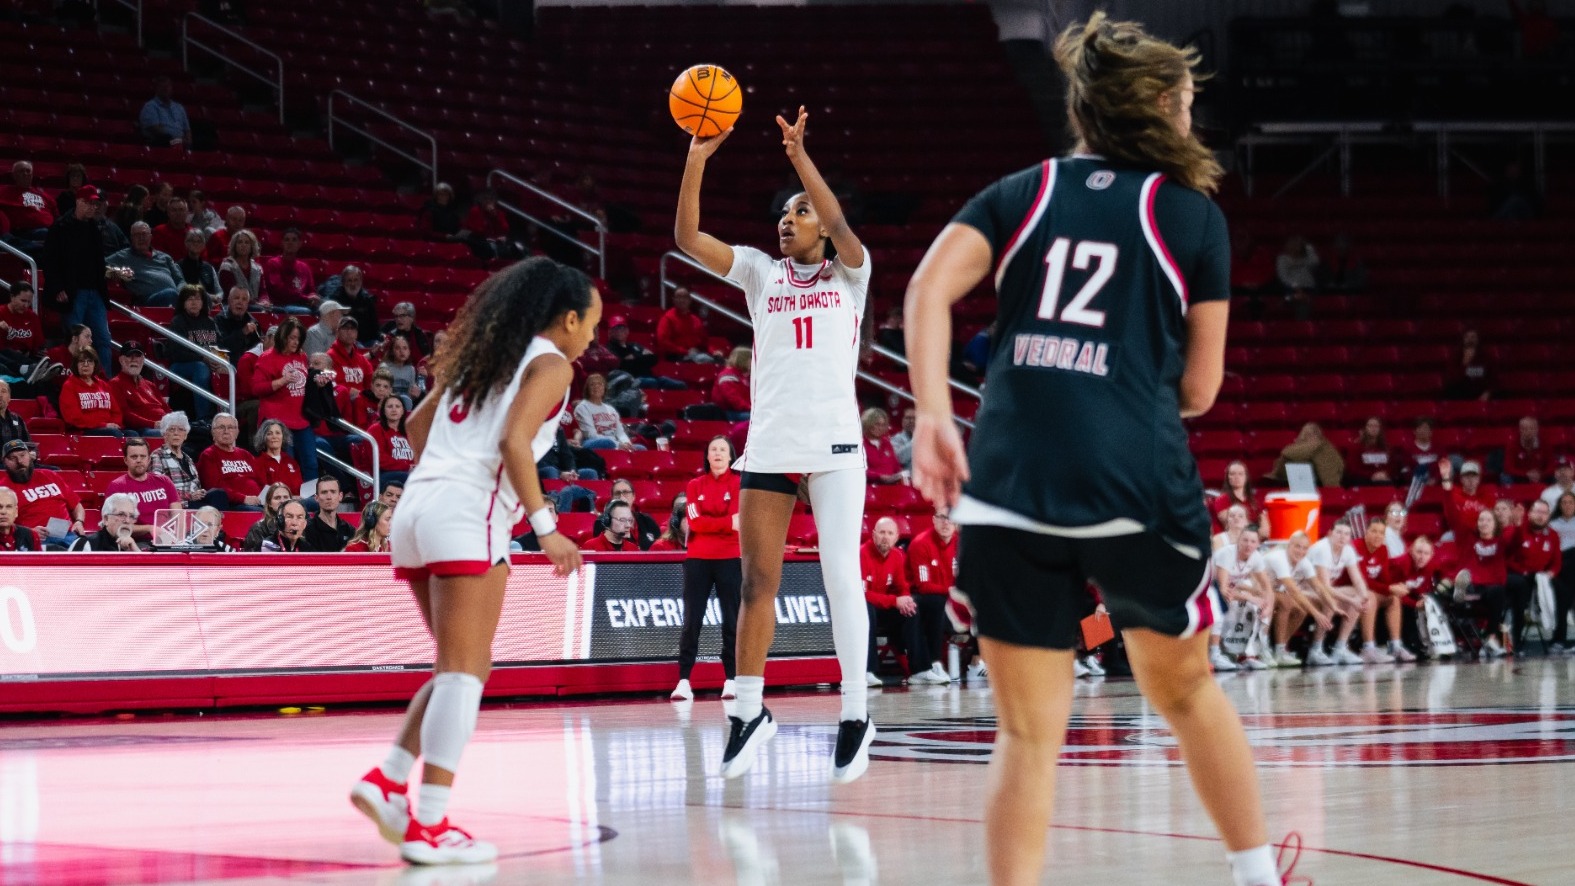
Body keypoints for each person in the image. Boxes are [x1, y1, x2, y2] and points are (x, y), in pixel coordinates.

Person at [901, 14, 1294, 886]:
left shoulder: (1018, 192)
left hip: (1007, 484)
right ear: (1157, 105)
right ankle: (1256, 874)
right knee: (1186, 689)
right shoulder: (1187, 215)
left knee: (1027, 736)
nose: (1190, 119)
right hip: (1132, 484)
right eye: (1186, 103)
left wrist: (933, 412)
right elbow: (1197, 392)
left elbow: (927, 286)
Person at [351, 256, 595, 864]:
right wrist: (546, 528)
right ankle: (429, 823)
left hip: (416, 512)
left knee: (463, 665)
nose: (592, 333)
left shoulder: (481, 358)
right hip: (465, 513)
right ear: (568, 319)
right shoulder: (552, 363)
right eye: (591, 321)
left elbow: (415, 421)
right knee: (463, 672)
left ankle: (388, 779)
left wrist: (447, 476)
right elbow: (515, 441)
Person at [675, 101, 875, 783]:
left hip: (836, 449)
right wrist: (696, 158)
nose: (786, 221)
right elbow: (686, 238)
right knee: (756, 582)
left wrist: (797, 159)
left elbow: (842, 225)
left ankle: (855, 713)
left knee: (839, 576)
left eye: (799, 213)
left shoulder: (850, 273)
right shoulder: (761, 271)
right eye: (781, 214)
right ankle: (749, 712)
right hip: (769, 447)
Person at [671, 436, 743, 702]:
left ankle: (731, 679)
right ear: (707, 455)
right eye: (713, 449)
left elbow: (739, 521)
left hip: (730, 558)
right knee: (692, 620)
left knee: (731, 620)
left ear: (730, 455)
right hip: (698, 559)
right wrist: (724, 523)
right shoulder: (694, 485)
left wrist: (710, 522)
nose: (718, 453)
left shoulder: (738, 484)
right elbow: (695, 522)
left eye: (723, 449)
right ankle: (683, 681)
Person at [41, 184, 113, 369]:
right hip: (73, 293)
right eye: (89, 203)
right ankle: (75, 378)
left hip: (94, 291)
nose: (93, 207)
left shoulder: (93, 227)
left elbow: (99, 260)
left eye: (95, 204)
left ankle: (104, 383)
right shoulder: (60, 227)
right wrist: (57, 288)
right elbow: (50, 260)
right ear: (78, 201)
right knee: (76, 341)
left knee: (103, 340)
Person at [861, 516, 932, 686]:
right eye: (882, 532)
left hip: (884, 607)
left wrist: (905, 600)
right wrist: (895, 601)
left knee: (912, 609)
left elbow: (902, 587)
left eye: (890, 533)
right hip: (865, 608)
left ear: (897, 537)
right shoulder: (861, 554)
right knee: (866, 609)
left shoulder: (898, 555)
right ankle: (867, 671)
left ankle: (919, 671)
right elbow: (861, 594)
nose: (886, 537)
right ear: (873, 534)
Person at [253, 317, 324, 481]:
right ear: (283, 336)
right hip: (278, 421)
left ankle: (310, 500)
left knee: (311, 463)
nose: (295, 342)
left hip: (301, 419)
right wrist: (281, 381)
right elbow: (256, 388)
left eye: (298, 338)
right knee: (285, 464)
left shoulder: (301, 356)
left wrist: (318, 383)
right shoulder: (267, 357)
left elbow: (304, 384)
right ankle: (286, 500)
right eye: (292, 337)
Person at [905, 511, 960, 683]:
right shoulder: (921, 544)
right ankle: (934, 662)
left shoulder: (962, 543)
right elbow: (923, 585)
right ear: (934, 520)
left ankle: (977, 662)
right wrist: (953, 591)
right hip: (921, 597)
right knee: (937, 602)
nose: (946, 523)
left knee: (983, 602)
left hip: (950, 596)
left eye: (951, 518)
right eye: (942, 518)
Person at [1, 438, 87, 547]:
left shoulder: (50, 475)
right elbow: (3, 523)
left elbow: (76, 505)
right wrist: (29, 532)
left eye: (22, 455)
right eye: (12, 458)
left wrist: (79, 521)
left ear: (30, 456)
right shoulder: (3, 489)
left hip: (68, 535)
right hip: (34, 539)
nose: (19, 461)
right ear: (4, 462)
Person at [1212, 525, 1275, 670]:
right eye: (1245, 540)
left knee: (1258, 608)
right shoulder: (1226, 554)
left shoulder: (1256, 557)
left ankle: (1248, 654)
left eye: (1253, 541)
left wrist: (1268, 607)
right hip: (1207, 587)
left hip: (1231, 589)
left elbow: (1267, 588)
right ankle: (1215, 654)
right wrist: (1250, 598)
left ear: (1258, 544)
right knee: (1219, 609)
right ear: (1238, 541)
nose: (1248, 544)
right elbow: (1223, 590)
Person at [1505, 498, 1560, 653]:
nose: (1540, 516)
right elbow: (1507, 556)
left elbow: (1556, 562)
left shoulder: (1553, 535)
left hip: (1540, 577)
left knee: (1562, 588)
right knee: (1520, 587)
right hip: (1517, 575)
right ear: (1529, 514)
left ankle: (1559, 639)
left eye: (1544, 513)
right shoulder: (1518, 530)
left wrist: (1551, 573)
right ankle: (1515, 640)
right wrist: (1523, 571)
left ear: (1549, 516)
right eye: (1537, 512)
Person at [1456, 508, 1511, 658]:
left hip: (1492, 589)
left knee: (1498, 592)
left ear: (1495, 524)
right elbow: (1453, 517)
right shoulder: (1469, 539)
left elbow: (1515, 537)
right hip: (1473, 583)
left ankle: (1490, 637)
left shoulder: (1501, 543)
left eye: (1488, 520)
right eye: (1481, 519)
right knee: (1467, 582)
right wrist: (1448, 491)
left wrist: (1515, 521)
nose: (1484, 523)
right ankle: (1489, 638)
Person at [166, 284, 224, 422]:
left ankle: (227, 415)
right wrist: (203, 358)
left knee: (230, 369)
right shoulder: (178, 322)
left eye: (197, 299)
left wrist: (219, 359)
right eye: (189, 299)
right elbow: (175, 352)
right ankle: (203, 418)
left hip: (207, 362)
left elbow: (220, 344)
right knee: (201, 368)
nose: (193, 302)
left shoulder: (209, 322)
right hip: (180, 366)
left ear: (203, 302)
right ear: (183, 303)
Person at [105, 437, 181, 537]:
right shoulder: (117, 487)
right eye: (134, 457)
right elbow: (115, 525)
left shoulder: (165, 481)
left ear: (149, 459)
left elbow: (179, 517)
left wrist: (177, 539)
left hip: (166, 540)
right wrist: (149, 528)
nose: (139, 460)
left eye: (143, 456)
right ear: (125, 460)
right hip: (136, 542)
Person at [152, 411, 222, 510]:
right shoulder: (157, 455)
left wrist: (200, 493)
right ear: (164, 434)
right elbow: (158, 490)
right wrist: (190, 495)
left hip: (195, 502)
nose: (176, 433)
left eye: (181, 430)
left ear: (185, 435)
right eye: (172, 429)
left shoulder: (188, 458)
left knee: (218, 494)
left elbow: (196, 486)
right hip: (178, 505)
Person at [105, 222, 183, 307]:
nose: (141, 238)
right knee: (170, 294)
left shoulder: (165, 257)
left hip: (174, 296)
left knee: (194, 294)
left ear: (150, 237)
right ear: (131, 238)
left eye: (144, 234)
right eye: (137, 235)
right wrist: (118, 272)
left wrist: (182, 294)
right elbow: (99, 266)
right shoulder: (123, 256)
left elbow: (180, 280)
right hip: (146, 301)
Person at [198, 413, 264, 510]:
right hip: (234, 505)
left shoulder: (246, 454)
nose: (226, 431)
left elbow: (261, 481)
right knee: (260, 513)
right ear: (213, 432)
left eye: (231, 427)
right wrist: (243, 498)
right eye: (221, 427)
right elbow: (214, 487)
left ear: (237, 432)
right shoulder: (209, 455)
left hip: (258, 501)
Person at [59, 350, 123, 436]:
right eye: (81, 361)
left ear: (95, 365)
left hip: (109, 428)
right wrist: (104, 425)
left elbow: (116, 412)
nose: (86, 364)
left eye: (89, 361)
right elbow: (74, 418)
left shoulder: (103, 385)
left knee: (132, 434)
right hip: (84, 431)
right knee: (113, 434)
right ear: (75, 365)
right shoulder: (69, 386)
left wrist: (114, 424)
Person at [1267, 422, 1344, 487]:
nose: (1312, 436)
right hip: (1289, 484)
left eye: (1314, 433)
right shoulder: (1290, 452)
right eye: (1308, 434)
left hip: (1323, 485)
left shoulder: (1326, 449)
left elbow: (1339, 468)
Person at [1, 160, 54, 254]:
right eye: (21, 171)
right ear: (14, 175)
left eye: (28, 171)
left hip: (47, 232)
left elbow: (57, 216)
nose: (25, 174)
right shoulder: (4, 192)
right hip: (22, 232)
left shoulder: (44, 196)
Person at [572, 374, 636, 451]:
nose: (596, 387)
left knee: (640, 448)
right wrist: (618, 444)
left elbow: (620, 432)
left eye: (600, 384)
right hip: (592, 442)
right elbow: (591, 435)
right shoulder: (582, 407)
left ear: (604, 388)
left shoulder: (611, 409)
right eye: (592, 384)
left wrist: (627, 444)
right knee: (607, 442)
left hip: (615, 443)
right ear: (587, 389)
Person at [591, 478, 660, 549]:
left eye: (626, 492)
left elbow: (659, 546)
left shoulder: (646, 520)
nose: (621, 497)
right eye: (617, 493)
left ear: (633, 496)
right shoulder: (603, 521)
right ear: (612, 498)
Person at [261, 228, 318, 313]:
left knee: (326, 309)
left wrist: (313, 296)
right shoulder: (273, 263)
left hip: (303, 303)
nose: (290, 243)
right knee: (305, 312)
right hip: (281, 304)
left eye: (294, 240)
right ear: (281, 243)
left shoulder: (304, 267)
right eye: (287, 240)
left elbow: (311, 290)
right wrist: (306, 298)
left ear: (300, 244)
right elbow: (279, 291)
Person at [656, 286, 716, 363]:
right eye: (678, 297)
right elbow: (663, 342)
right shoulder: (667, 318)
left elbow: (705, 342)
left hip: (695, 354)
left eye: (685, 297)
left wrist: (714, 352)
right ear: (673, 300)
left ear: (690, 300)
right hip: (676, 357)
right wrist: (685, 351)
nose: (682, 300)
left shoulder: (696, 320)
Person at [1547, 492, 1575, 655]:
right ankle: (1559, 639)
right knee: (1564, 595)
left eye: (1571, 502)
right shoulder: (1553, 524)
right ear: (1559, 505)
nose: (1567, 505)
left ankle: (1559, 639)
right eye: (1564, 502)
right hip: (1560, 564)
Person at [368, 395, 416, 489]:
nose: (394, 409)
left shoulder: (410, 431)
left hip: (409, 471)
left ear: (403, 411)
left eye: (398, 406)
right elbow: (379, 459)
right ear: (383, 411)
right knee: (411, 478)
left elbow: (419, 454)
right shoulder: (375, 430)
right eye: (390, 406)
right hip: (385, 474)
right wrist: (407, 467)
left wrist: (414, 467)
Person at [1439, 459, 1494, 540]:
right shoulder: (1455, 494)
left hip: (1481, 533)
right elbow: (1447, 492)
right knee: (1446, 538)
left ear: (1479, 479)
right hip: (1459, 534)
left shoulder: (1487, 497)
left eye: (1474, 476)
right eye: (1467, 476)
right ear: (1461, 479)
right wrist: (1445, 476)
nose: (1470, 479)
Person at [69, 493, 144, 552]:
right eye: (121, 515)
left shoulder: (132, 546)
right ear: (106, 519)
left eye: (131, 516)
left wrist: (136, 552)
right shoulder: (86, 544)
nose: (127, 521)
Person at [305, 474, 355, 552]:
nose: (329, 497)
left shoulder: (349, 530)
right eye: (324, 492)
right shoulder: (307, 529)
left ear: (340, 496)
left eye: (333, 492)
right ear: (316, 498)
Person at [1209, 460, 1262, 533]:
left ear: (1246, 477)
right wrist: (1256, 530)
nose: (1236, 477)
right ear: (1228, 478)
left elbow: (1264, 525)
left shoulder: (1254, 501)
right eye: (1232, 474)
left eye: (1240, 474)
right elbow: (1232, 525)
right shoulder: (1221, 500)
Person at [139, 76, 192, 147]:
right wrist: (177, 139)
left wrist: (188, 140)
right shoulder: (150, 106)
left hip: (181, 141)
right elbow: (155, 129)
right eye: (162, 87)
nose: (166, 89)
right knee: (166, 140)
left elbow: (187, 129)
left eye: (167, 86)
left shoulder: (179, 107)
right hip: (164, 142)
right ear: (156, 88)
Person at [215, 285, 262, 364]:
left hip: (247, 363)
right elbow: (222, 347)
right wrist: (242, 332)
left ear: (247, 304)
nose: (240, 302)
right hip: (227, 362)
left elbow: (257, 347)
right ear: (229, 300)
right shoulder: (220, 319)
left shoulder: (253, 321)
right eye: (236, 298)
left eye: (244, 299)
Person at [1345, 416, 1397, 486]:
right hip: (1363, 479)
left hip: (1382, 478)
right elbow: (1353, 468)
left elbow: (1392, 466)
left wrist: (1385, 473)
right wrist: (1371, 475)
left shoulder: (1387, 447)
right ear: (1365, 428)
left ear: (1380, 429)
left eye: (1376, 426)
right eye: (1370, 426)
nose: (1373, 428)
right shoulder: (1356, 447)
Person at [1443, 328, 1493, 401]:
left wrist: (1488, 392)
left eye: (1473, 337)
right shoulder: (1455, 356)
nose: (1470, 340)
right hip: (1460, 391)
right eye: (1467, 337)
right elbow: (1451, 378)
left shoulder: (1486, 356)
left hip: (1480, 390)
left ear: (1478, 339)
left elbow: (1489, 377)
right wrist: (1465, 363)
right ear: (1463, 339)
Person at [254, 418, 304, 491]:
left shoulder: (291, 462)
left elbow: (300, 487)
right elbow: (264, 491)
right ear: (264, 438)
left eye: (278, 433)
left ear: (283, 437)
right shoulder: (258, 463)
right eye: (269, 434)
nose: (274, 437)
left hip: (297, 501)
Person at [861, 407, 905, 486]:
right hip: (871, 487)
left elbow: (896, 466)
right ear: (868, 424)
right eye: (877, 424)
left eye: (883, 425)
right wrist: (879, 476)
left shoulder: (886, 443)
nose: (880, 428)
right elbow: (860, 470)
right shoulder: (861, 444)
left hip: (892, 485)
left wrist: (900, 475)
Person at [378, 334, 425, 406]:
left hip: (405, 406)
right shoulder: (384, 367)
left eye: (405, 348)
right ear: (392, 351)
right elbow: (379, 392)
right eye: (397, 348)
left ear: (409, 351)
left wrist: (416, 393)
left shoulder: (411, 369)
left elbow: (411, 397)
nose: (401, 351)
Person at [218, 229, 262, 304]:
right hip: (235, 305)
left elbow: (263, 291)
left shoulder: (257, 268)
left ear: (252, 246)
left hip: (256, 306)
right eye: (240, 242)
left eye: (247, 242)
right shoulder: (227, 267)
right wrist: (256, 303)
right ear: (234, 246)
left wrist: (264, 300)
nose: (243, 245)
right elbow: (233, 294)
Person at [1504, 416, 1550, 485]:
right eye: (1524, 429)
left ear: (1537, 429)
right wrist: (1526, 474)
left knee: (1556, 475)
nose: (1528, 431)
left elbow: (1551, 465)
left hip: (1541, 476)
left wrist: (1541, 474)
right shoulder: (1512, 445)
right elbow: (1508, 467)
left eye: (1531, 428)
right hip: (1520, 477)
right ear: (1520, 430)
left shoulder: (1545, 444)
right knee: (1505, 476)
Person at [710, 346, 752, 422]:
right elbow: (733, 399)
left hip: (745, 410)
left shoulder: (746, 375)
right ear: (743, 360)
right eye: (751, 360)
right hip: (731, 412)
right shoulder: (727, 376)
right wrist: (751, 408)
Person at [176, 229, 221, 299]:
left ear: (203, 245)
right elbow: (181, 290)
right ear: (186, 243)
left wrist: (218, 297)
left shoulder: (209, 267)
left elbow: (219, 291)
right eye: (192, 241)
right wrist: (208, 297)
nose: (195, 243)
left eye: (199, 241)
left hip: (211, 305)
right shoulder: (178, 266)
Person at [0, 486, 41, 551]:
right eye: (0, 507)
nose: (3, 512)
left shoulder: (31, 536)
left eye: (9, 507)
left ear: (16, 511)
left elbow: (39, 561)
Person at [0, 380, 30, 450]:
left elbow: (28, 444)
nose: (0, 395)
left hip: (18, 460)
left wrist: (31, 453)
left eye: (3, 391)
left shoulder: (17, 419)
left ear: (9, 397)